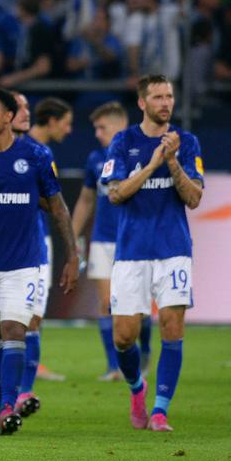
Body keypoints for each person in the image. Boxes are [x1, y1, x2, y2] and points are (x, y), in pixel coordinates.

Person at [0, 87, 79, 436]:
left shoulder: (36, 156)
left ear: (8, 117)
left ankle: (9, 407)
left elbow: (57, 206)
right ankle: (2, 408)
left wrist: (72, 255)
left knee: (14, 329)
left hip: (24, 262)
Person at [101, 75, 203, 432]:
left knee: (172, 327)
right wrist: (151, 165)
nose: (166, 103)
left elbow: (194, 198)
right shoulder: (123, 142)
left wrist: (172, 161)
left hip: (173, 249)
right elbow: (115, 194)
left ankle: (160, 411)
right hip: (132, 251)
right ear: (142, 103)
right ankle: (137, 389)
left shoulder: (187, 142)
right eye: (158, 97)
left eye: (170, 96)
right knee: (123, 336)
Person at [14, 96, 74, 413]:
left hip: (37, 240)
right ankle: (14, 386)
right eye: (66, 122)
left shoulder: (40, 153)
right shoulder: (12, 151)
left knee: (34, 315)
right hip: (12, 243)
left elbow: (51, 201)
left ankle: (26, 387)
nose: (69, 129)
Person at [70, 101, 133, 382]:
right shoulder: (96, 159)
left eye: (102, 127)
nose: (97, 133)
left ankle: (141, 356)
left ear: (120, 126)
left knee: (135, 308)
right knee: (106, 303)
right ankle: (114, 366)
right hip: (102, 239)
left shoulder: (136, 155)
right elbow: (86, 199)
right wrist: (72, 236)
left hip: (133, 240)